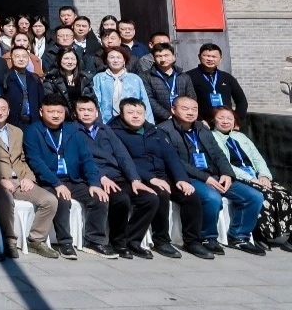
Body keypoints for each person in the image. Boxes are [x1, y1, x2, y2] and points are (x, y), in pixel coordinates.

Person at [159, 95, 265, 255]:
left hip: (214, 175)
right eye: (185, 108)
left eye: (194, 109)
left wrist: (227, 174)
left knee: (254, 196)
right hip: (188, 177)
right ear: (173, 110)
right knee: (212, 197)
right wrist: (205, 178)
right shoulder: (163, 130)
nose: (190, 112)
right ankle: (207, 237)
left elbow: (218, 154)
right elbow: (174, 161)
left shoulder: (202, 128)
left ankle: (239, 237)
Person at [105, 97, 208, 259]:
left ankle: (193, 241)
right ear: (121, 114)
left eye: (139, 113)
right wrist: (151, 178)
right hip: (137, 178)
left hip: (163, 175)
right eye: (130, 112)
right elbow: (124, 160)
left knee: (190, 195)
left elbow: (171, 157)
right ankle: (161, 240)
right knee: (160, 193)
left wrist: (181, 179)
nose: (136, 116)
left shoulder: (155, 131)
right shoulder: (114, 132)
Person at [22, 94, 111, 259]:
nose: (56, 115)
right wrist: (56, 183)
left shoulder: (72, 130)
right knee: (62, 199)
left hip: (73, 179)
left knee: (99, 197)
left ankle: (94, 241)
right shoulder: (33, 131)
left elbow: (86, 158)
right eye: (51, 111)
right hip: (48, 181)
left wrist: (94, 182)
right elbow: (36, 162)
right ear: (41, 112)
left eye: (59, 112)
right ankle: (65, 242)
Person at [70, 97, 150, 259]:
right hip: (93, 177)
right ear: (75, 113)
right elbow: (77, 160)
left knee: (150, 198)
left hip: (117, 176)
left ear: (97, 112)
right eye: (82, 110)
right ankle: (117, 242)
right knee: (121, 199)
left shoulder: (105, 129)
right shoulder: (72, 131)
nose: (86, 113)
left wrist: (134, 179)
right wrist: (101, 177)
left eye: (90, 110)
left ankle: (133, 241)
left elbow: (122, 155)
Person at [0, 96, 58, 259]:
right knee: (6, 201)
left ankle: (36, 240)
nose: (0, 112)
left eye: (3, 109)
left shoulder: (17, 131)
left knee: (50, 200)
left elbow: (22, 159)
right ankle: (9, 241)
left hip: (20, 179)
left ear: (9, 111)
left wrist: (29, 178)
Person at [211, 107, 292, 250]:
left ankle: (286, 237)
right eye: (221, 118)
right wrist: (250, 179)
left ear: (234, 121)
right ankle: (259, 233)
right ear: (213, 120)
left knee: (285, 194)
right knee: (264, 195)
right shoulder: (212, 137)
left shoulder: (241, 137)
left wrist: (264, 175)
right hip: (236, 177)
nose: (225, 121)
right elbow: (224, 164)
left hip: (255, 176)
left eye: (229, 118)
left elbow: (257, 158)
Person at [186, 43, 249, 123]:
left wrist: (236, 121)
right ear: (199, 56)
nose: (210, 59)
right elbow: (185, 102)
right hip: (201, 124)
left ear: (220, 59)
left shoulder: (227, 77)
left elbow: (242, 101)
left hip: (225, 123)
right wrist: (199, 121)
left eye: (214, 57)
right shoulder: (188, 77)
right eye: (206, 56)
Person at [93, 47, 154, 124]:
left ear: (124, 60)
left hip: (132, 121)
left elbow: (144, 101)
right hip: (106, 122)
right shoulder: (99, 78)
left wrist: (149, 123)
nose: (115, 60)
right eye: (112, 57)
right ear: (106, 60)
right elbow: (96, 102)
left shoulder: (135, 79)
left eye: (118, 57)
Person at [145, 43, 197, 124]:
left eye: (166, 55)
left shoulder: (184, 76)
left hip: (183, 120)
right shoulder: (146, 76)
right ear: (154, 58)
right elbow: (149, 99)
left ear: (173, 56)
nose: (163, 59)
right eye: (158, 56)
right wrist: (167, 115)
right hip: (159, 121)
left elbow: (191, 97)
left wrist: (183, 114)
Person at [42, 49, 95, 120]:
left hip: (83, 119)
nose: (70, 62)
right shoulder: (51, 79)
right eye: (66, 58)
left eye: (73, 59)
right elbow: (50, 102)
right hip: (61, 119)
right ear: (59, 60)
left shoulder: (85, 79)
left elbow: (93, 101)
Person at [0, 46, 44, 127]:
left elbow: (41, 101)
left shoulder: (34, 78)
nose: (21, 59)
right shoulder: (4, 78)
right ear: (11, 59)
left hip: (33, 122)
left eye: (24, 56)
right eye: (17, 56)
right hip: (13, 123)